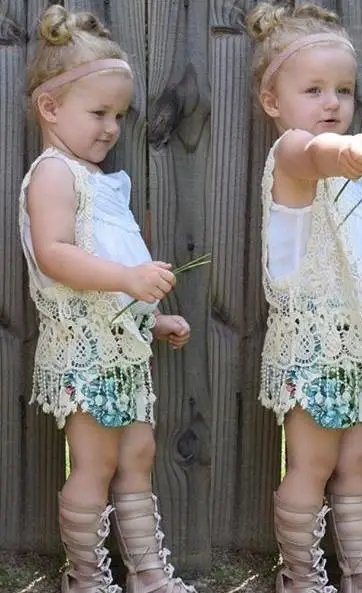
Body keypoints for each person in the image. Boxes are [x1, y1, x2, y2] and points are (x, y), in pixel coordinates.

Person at [21, 5, 196, 592]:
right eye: (98, 113)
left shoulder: (98, 182)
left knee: (139, 456)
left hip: (122, 352)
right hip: (84, 354)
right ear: (50, 108)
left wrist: (153, 317)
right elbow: (55, 253)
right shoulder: (53, 174)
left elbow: (114, 263)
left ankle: (146, 572)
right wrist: (127, 279)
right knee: (94, 464)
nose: (112, 127)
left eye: (118, 115)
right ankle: (86, 577)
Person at [246, 3, 362, 592]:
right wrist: (341, 153)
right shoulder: (294, 154)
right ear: (273, 101)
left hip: (353, 342)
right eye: (313, 90)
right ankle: (300, 577)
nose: (332, 103)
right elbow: (311, 154)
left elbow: (357, 264)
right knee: (311, 464)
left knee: (359, 462)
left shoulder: (346, 175)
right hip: (311, 343)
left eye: (343, 90)